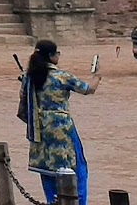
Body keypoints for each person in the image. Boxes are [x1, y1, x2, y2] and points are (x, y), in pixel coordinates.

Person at [22, 39, 98, 205]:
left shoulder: (30, 79)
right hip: (62, 128)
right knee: (77, 169)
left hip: (39, 128)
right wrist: (97, 77)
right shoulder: (61, 77)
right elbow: (88, 89)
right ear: (51, 55)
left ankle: (52, 202)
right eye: (57, 53)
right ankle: (78, 202)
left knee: (48, 170)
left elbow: (24, 105)